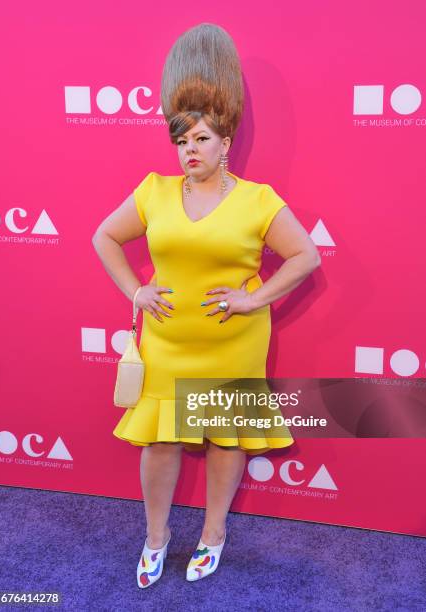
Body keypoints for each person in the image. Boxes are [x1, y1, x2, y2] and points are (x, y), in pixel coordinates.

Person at [92, 22, 321, 588]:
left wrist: (254, 299)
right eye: (182, 140)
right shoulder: (154, 191)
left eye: (200, 139)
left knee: (225, 437)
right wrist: (135, 292)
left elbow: (305, 257)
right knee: (161, 439)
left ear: (225, 141)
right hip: (168, 339)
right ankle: (155, 537)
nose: (189, 150)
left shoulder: (257, 200)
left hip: (231, 339)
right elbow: (104, 237)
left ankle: (214, 533)